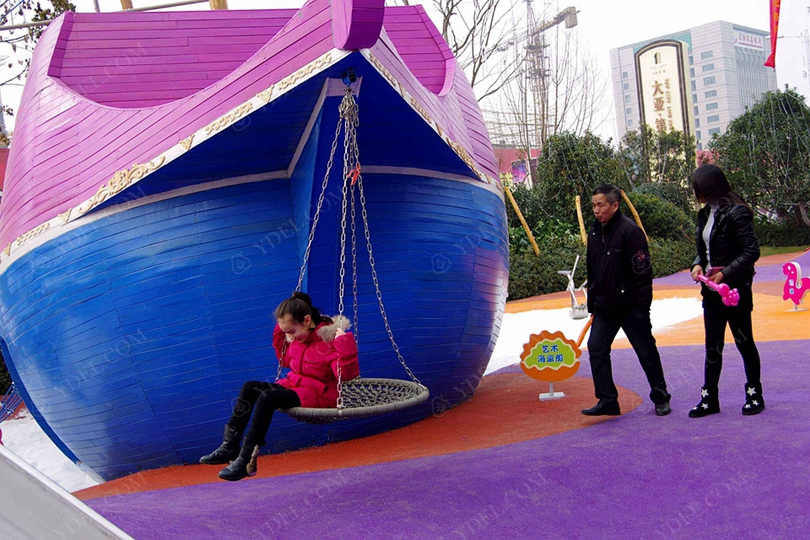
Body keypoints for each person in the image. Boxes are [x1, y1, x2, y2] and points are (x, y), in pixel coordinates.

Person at [200, 292, 360, 481]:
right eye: (286, 332)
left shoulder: (328, 342)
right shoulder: (298, 338)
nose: (290, 336)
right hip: (296, 386)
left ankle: (246, 458)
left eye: (291, 331)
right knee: (250, 388)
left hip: (319, 394)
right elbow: (285, 360)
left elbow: (347, 375)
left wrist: (344, 343)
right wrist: (281, 330)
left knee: (268, 398)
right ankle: (230, 446)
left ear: (307, 321)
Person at [582, 184, 671, 417]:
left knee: (646, 352)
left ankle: (661, 397)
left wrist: (642, 307)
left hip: (631, 306)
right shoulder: (594, 233)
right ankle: (607, 400)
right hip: (604, 307)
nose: (596, 210)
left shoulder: (630, 231)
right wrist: (593, 304)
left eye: (601, 205)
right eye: (593, 205)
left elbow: (642, 271)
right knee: (596, 348)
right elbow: (593, 271)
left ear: (615, 205)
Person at [688, 164, 763, 417]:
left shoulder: (736, 212)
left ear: (712, 187)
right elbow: (704, 249)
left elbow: (751, 251)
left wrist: (725, 274)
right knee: (713, 346)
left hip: (735, 292)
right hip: (711, 290)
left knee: (744, 342)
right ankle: (709, 398)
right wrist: (697, 264)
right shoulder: (704, 214)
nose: (697, 194)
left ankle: (754, 394)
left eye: (699, 189)